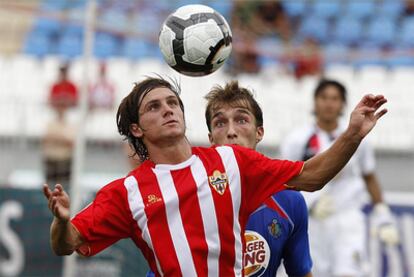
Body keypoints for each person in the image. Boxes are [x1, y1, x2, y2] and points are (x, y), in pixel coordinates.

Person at [43, 76, 387, 276]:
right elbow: (67, 244)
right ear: (136, 128)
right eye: (154, 107)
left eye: (172, 102)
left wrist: (353, 133)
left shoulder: (231, 163)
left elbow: (311, 176)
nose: (167, 109)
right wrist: (61, 222)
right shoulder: (127, 192)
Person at [280, 79, 399, 277]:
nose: (329, 103)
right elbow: (286, 182)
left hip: (348, 220)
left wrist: (382, 214)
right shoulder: (296, 139)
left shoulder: (357, 136)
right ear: (315, 101)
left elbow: (369, 176)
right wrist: (310, 204)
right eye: (324, 98)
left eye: (335, 99)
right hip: (312, 223)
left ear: (343, 104)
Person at [204, 81, 312, 277]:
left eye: (241, 120)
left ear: (259, 132)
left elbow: (301, 272)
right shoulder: (189, 193)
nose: (231, 132)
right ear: (211, 139)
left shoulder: (290, 201)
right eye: (220, 123)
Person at [42, 102, 76, 189]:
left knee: (64, 186)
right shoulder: (50, 124)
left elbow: (71, 142)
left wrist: (57, 137)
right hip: (51, 160)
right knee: (50, 186)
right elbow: (46, 138)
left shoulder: (71, 125)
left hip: (65, 160)